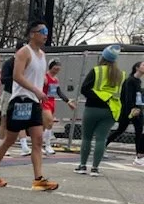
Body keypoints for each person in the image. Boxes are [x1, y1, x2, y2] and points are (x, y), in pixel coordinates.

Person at [0, 20, 59, 191]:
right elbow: (17, 76)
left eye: (46, 31)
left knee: (38, 139)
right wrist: (35, 90)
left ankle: (38, 179)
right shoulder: (24, 52)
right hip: (20, 101)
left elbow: (39, 77)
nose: (46, 34)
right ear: (32, 34)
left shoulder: (42, 55)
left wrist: (42, 91)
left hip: (34, 101)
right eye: (42, 31)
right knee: (9, 140)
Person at [74, 46, 125, 177]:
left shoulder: (96, 71)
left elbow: (84, 89)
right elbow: (122, 94)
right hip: (111, 109)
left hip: (92, 108)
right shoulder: (121, 74)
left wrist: (98, 96)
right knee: (101, 139)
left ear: (103, 57)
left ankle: (82, 165)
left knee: (86, 138)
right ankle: (95, 168)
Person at [106, 60, 144, 166]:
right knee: (120, 130)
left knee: (139, 132)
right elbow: (127, 97)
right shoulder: (130, 80)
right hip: (129, 110)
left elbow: (138, 97)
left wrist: (139, 108)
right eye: (143, 65)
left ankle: (139, 156)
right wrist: (132, 110)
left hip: (138, 110)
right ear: (137, 67)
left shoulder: (138, 81)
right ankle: (103, 145)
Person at [40, 60, 75, 155]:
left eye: (58, 69)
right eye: (55, 69)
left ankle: (40, 145)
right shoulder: (45, 77)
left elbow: (59, 92)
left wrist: (68, 101)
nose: (56, 71)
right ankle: (47, 145)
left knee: (44, 125)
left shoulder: (56, 79)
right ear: (51, 67)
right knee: (50, 122)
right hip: (44, 101)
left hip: (52, 102)